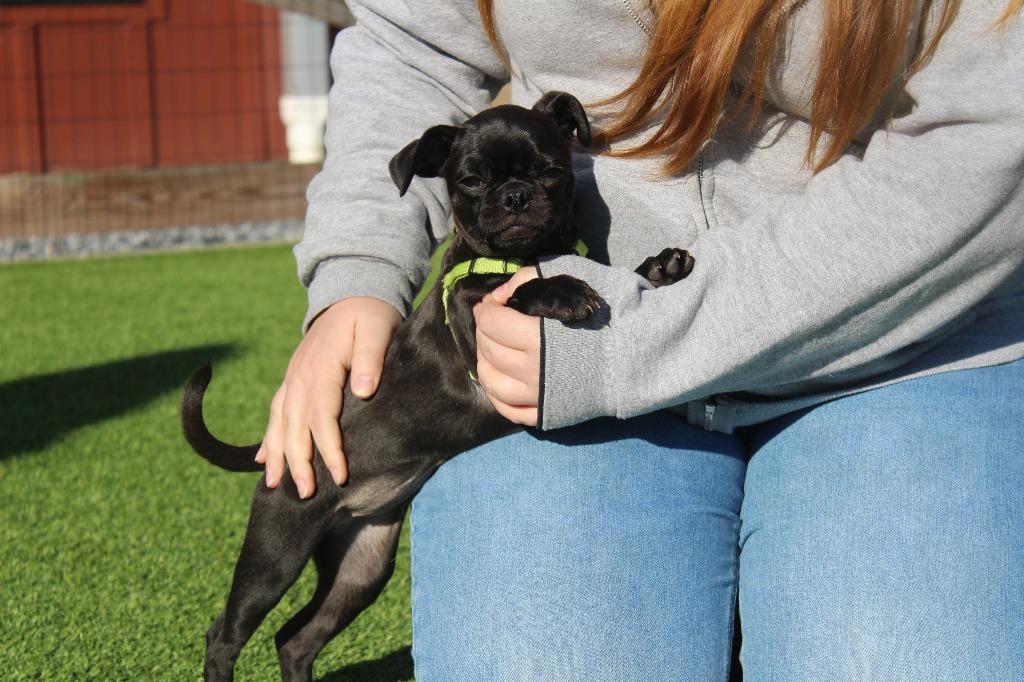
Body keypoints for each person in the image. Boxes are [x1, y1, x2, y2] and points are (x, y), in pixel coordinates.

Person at [255, 1, 1024, 678]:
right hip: (565, 360)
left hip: (905, 342)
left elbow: (995, 128)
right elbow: (411, 43)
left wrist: (642, 337)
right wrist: (358, 269)